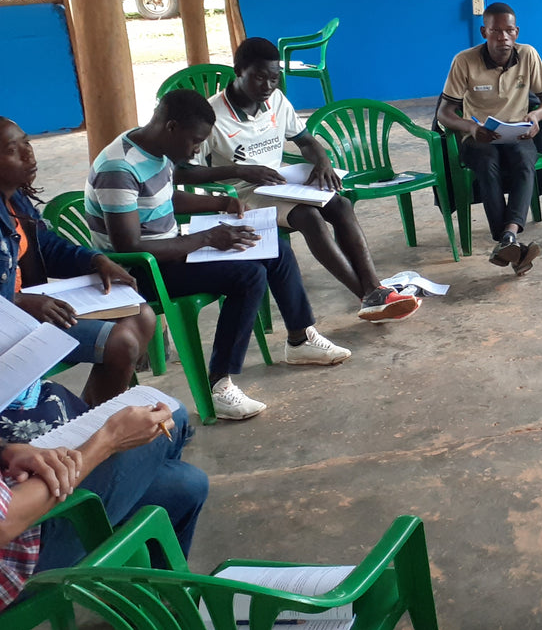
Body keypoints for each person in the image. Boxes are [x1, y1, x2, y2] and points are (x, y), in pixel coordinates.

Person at [0, 171, 207, 630]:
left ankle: (145, 609)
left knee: (184, 485)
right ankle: (132, 585)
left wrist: (4, 449)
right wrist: (106, 441)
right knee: (168, 420)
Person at [87, 89, 352, 421]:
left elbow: (164, 199)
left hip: (169, 250)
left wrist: (221, 203)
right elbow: (129, 246)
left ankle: (300, 340)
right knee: (247, 277)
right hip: (138, 272)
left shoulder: (156, 150)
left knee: (274, 247)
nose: (198, 150)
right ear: (171, 127)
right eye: (196, 141)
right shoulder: (119, 167)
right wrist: (207, 238)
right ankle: (219, 385)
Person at [0, 114, 156, 406]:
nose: (28, 154)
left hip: (26, 309)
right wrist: (16, 302)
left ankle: (93, 410)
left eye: (26, 143)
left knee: (142, 315)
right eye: (12, 150)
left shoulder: (12, 196)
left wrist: (95, 261)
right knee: (121, 343)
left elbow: (45, 246)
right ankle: (97, 422)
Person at [177, 38, 418, 322]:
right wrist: (240, 171)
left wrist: (323, 162)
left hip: (279, 181)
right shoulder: (213, 115)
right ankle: (368, 296)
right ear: (239, 71)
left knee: (340, 205)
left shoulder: (276, 100)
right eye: (259, 77)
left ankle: (374, 288)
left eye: (274, 78)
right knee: (308, 216)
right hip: (242, 192)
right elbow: (182, 171)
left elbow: (305, 141)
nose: (268, 86)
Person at [436, 2, 542, 275]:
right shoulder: (464, 61)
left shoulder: (528, 55)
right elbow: (444, 112)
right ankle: (509, 241)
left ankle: (508, 236)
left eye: (509, 31)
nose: (503, 37)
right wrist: (470, 127)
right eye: (496, 31)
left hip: (517, 132)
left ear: (516, 32)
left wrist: (536, 116)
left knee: (525, 161)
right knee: (487, 162)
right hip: (480, 136)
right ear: (484, 32)